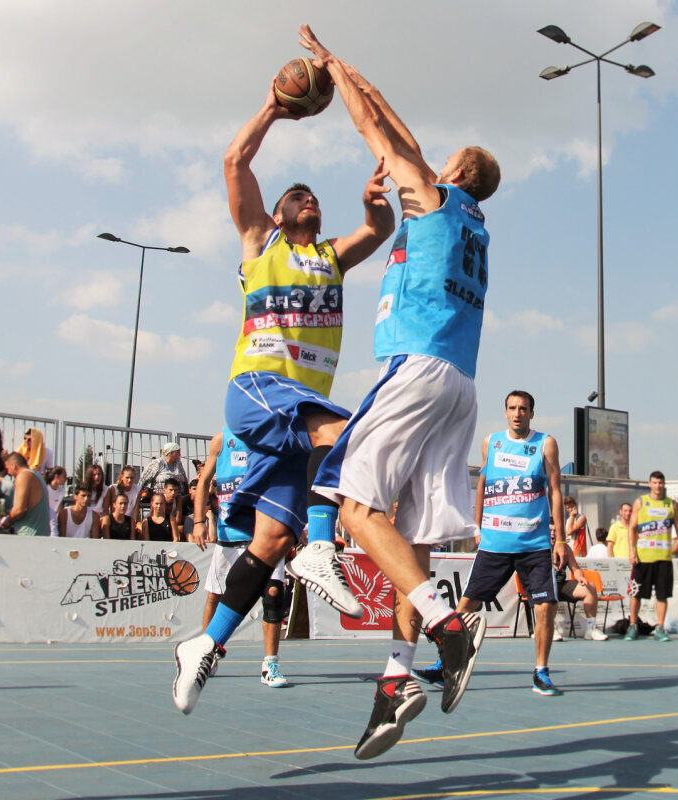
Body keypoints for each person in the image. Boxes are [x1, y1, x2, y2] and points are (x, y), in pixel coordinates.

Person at [170, 36, 400, 718]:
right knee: (352, 435)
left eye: (315, 199)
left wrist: (373, 203)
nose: (309, 202)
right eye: (298, 196)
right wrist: (274, 106)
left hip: (295, 413)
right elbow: (234, 160)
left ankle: (205, 646)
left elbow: (378, 231)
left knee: (269, 543)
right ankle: (324, 548)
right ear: (276, 212)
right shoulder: (259, 243)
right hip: (259, 388)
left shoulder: (331, 256)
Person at [298, 25, 500, 759]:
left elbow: (373, 126)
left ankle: (450, 627)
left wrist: (330, 69)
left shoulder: (435, 200)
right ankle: (395, 681)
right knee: (406, 541)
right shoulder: (474, 223)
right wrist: (356, 73)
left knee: (354, 510)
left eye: (438, 162)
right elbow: (392, 120)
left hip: (414, 371)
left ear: (452, 173)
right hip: (460, 384)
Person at [413, 390, 573, 704]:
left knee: (545, 606)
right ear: (505, 412)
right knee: (465, 606)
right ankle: (444, 664)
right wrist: (476, 526)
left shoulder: (545, 444)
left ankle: (541, 671)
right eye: (512, 408)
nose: (517, 413)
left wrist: (563, 539)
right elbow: (484, 484)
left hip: (534, 544)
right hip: (495, 543)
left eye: (523, 409)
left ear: (531, 413)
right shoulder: (492, 443)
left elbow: (555, 490)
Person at [191, 428, 291, 689]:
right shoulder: (221, 440)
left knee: (272, 594)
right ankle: (205, 654)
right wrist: (199, 520)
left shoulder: (270, 437)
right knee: (216, 595)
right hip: (229, 534)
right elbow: (203, 482)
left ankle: (270, 663)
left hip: (263, 532)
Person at [625, 470, 678, 642]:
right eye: (654, 483)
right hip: (643, 557)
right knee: (636, 593)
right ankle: (632, 625)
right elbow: (632, 527)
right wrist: (632, 551)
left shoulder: (671, 504)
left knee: (662, 595)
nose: (658, 486)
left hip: (664, 558)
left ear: (664, 484)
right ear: (650, 484)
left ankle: (660, 627)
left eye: (660, 483)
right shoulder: (641, 503)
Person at [0, 453, 50, 536]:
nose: (8, 472)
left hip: (28, 535)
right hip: (41, 534)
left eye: (7, 468)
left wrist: (7, 520)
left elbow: (19, 509)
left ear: (14, 466)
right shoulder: (37, 475)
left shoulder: (23, 476)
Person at [45, 466, 68, 533]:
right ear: (56, 476)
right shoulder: (45, 489)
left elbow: (59, 510)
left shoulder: (62, 491)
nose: (66, 478)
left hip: (53, 522)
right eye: (64, 476)